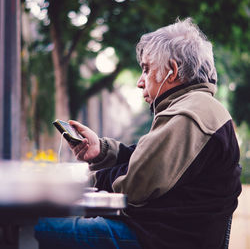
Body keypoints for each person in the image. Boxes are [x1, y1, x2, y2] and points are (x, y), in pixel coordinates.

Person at [35, 18, 242, 249]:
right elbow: (147, 159)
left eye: (146, 69)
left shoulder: (190, 114)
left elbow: (135, 184)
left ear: (172, 71)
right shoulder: (195, 108)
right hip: (159, 233)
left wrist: (82, 183)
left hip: (158, 239)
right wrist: (102, 151)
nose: (140, 82)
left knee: (37, 229)